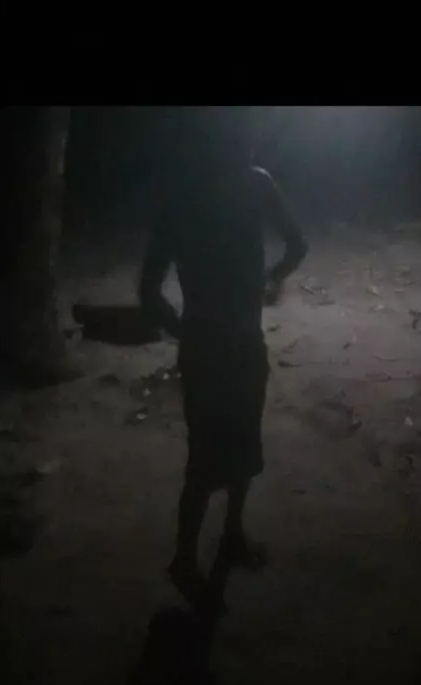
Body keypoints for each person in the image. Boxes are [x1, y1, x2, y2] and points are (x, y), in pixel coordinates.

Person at [139, 108, 308, 602]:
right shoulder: (256, 184)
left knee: (217, 453)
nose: (251, 141)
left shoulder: (181, 196)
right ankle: (197, 552)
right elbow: (298, 245)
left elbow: (148, 290)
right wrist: (271, 279)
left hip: (207, 346)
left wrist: (183, 329)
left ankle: (209, 546)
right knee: (235, 448)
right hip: (240, 341)